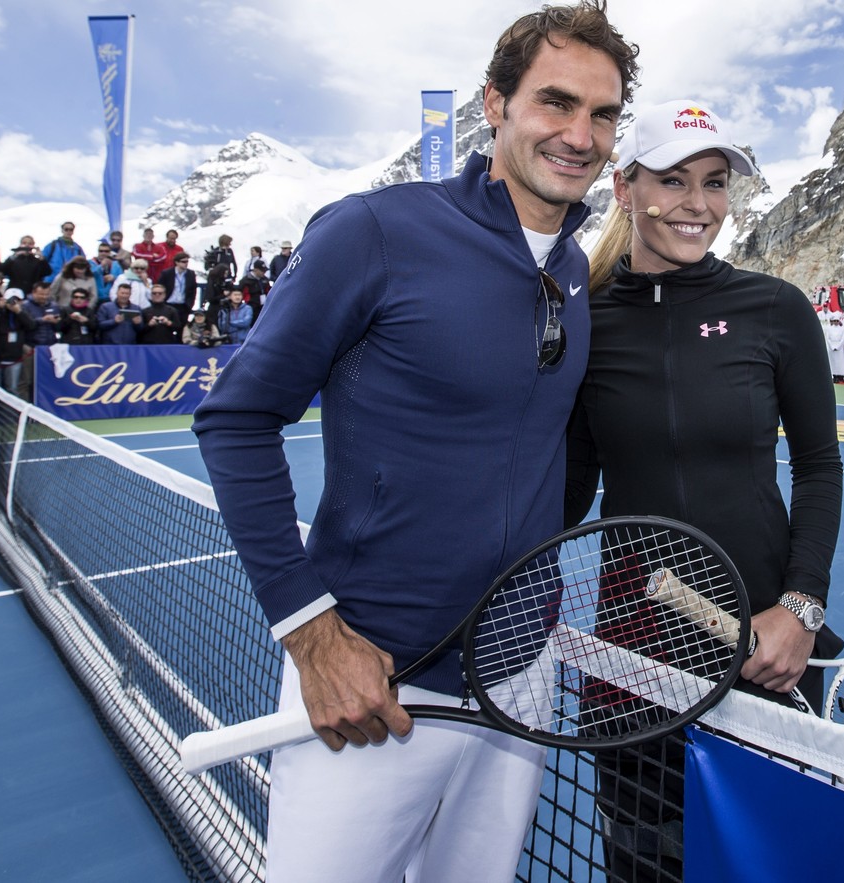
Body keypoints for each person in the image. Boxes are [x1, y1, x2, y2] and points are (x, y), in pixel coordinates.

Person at [191, 4, 638, 881]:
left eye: (604, 114)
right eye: (555, 102)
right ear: (495, 104)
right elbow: (236, 419)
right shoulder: (376, 230)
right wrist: (315, 637)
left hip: (517, 688)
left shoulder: (576, 270)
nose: (580, 135)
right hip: (373, 689)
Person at [566, 99, 844, 882]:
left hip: (767, 646)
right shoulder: (588, 319)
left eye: (715, 183)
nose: (698, 204)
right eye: (674, 180)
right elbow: (567, 485)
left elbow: (820, 465)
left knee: (766, 859)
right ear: (625, 188)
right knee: (644, 862)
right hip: (630, 648)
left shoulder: (776, 311)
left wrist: (800, 609)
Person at [0, 290, 32, 395]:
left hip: (14, 359)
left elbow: (31, 325)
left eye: (17, 300)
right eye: (11, 300)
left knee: (12, 389)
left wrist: (19, 312)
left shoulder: (22, 313)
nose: (13, 302)